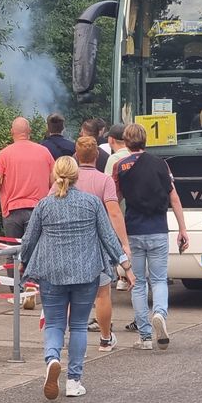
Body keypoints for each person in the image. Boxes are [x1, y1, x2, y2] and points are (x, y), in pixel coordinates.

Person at [21, 156, 135, 400]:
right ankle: (74, 381)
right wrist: (126, 266)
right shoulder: (92, 203)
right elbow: (108, 237)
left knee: (54, 324)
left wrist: (23, 263)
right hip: (86, 273)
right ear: (76, 176)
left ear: (55, 175)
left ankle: (52, 359)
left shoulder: (44, 205)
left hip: (51, 273)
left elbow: (29, 239)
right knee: (79, 326)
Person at [114, 123, 189, 350]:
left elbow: (114, 202)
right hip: (158, 229)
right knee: (158, 279)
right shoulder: (161, 165)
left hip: (133, 231)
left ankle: (145, 337)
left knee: (137, 283)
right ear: (145, 140)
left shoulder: (120, 166)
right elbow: (174, 199)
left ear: (126, 142)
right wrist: (183, 229)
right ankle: (160, 314)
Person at [73, 137, 131, 352]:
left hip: (70, 243)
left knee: (70, 291)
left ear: (76, 155)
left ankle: (71, 336)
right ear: (97, 156)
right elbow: (114, 212)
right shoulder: (104, 180)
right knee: (102, 293)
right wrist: (124, 244)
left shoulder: (65, 180)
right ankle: (105, 339)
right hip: (97, 244)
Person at [0, 117, 54, 240]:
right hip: (39, 208)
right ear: (29, 131)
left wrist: (3, 189)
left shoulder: (4, 154)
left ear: (11, 132)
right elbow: (54, 181)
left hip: (12, 209)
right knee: (34, 253)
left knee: (12, 252)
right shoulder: (44, 152)